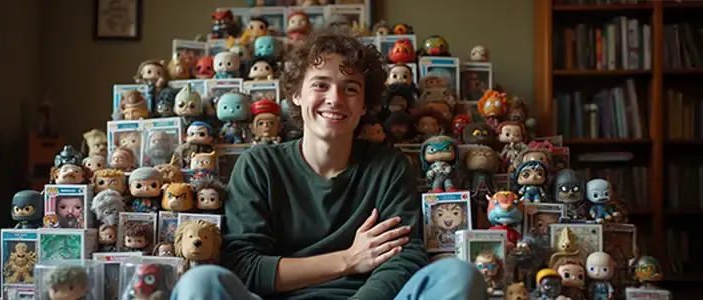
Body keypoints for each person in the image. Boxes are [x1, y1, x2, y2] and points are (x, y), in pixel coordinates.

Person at [171, 27, 487, 300]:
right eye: (320, 84)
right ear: (295, 94)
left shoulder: (389, 166)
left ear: (365, 104)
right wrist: (348, 260)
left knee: (457, 276)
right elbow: (246, 267)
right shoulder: (259, 165)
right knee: (200, 283)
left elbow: (401, 260)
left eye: (350, 89)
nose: (334, 99)